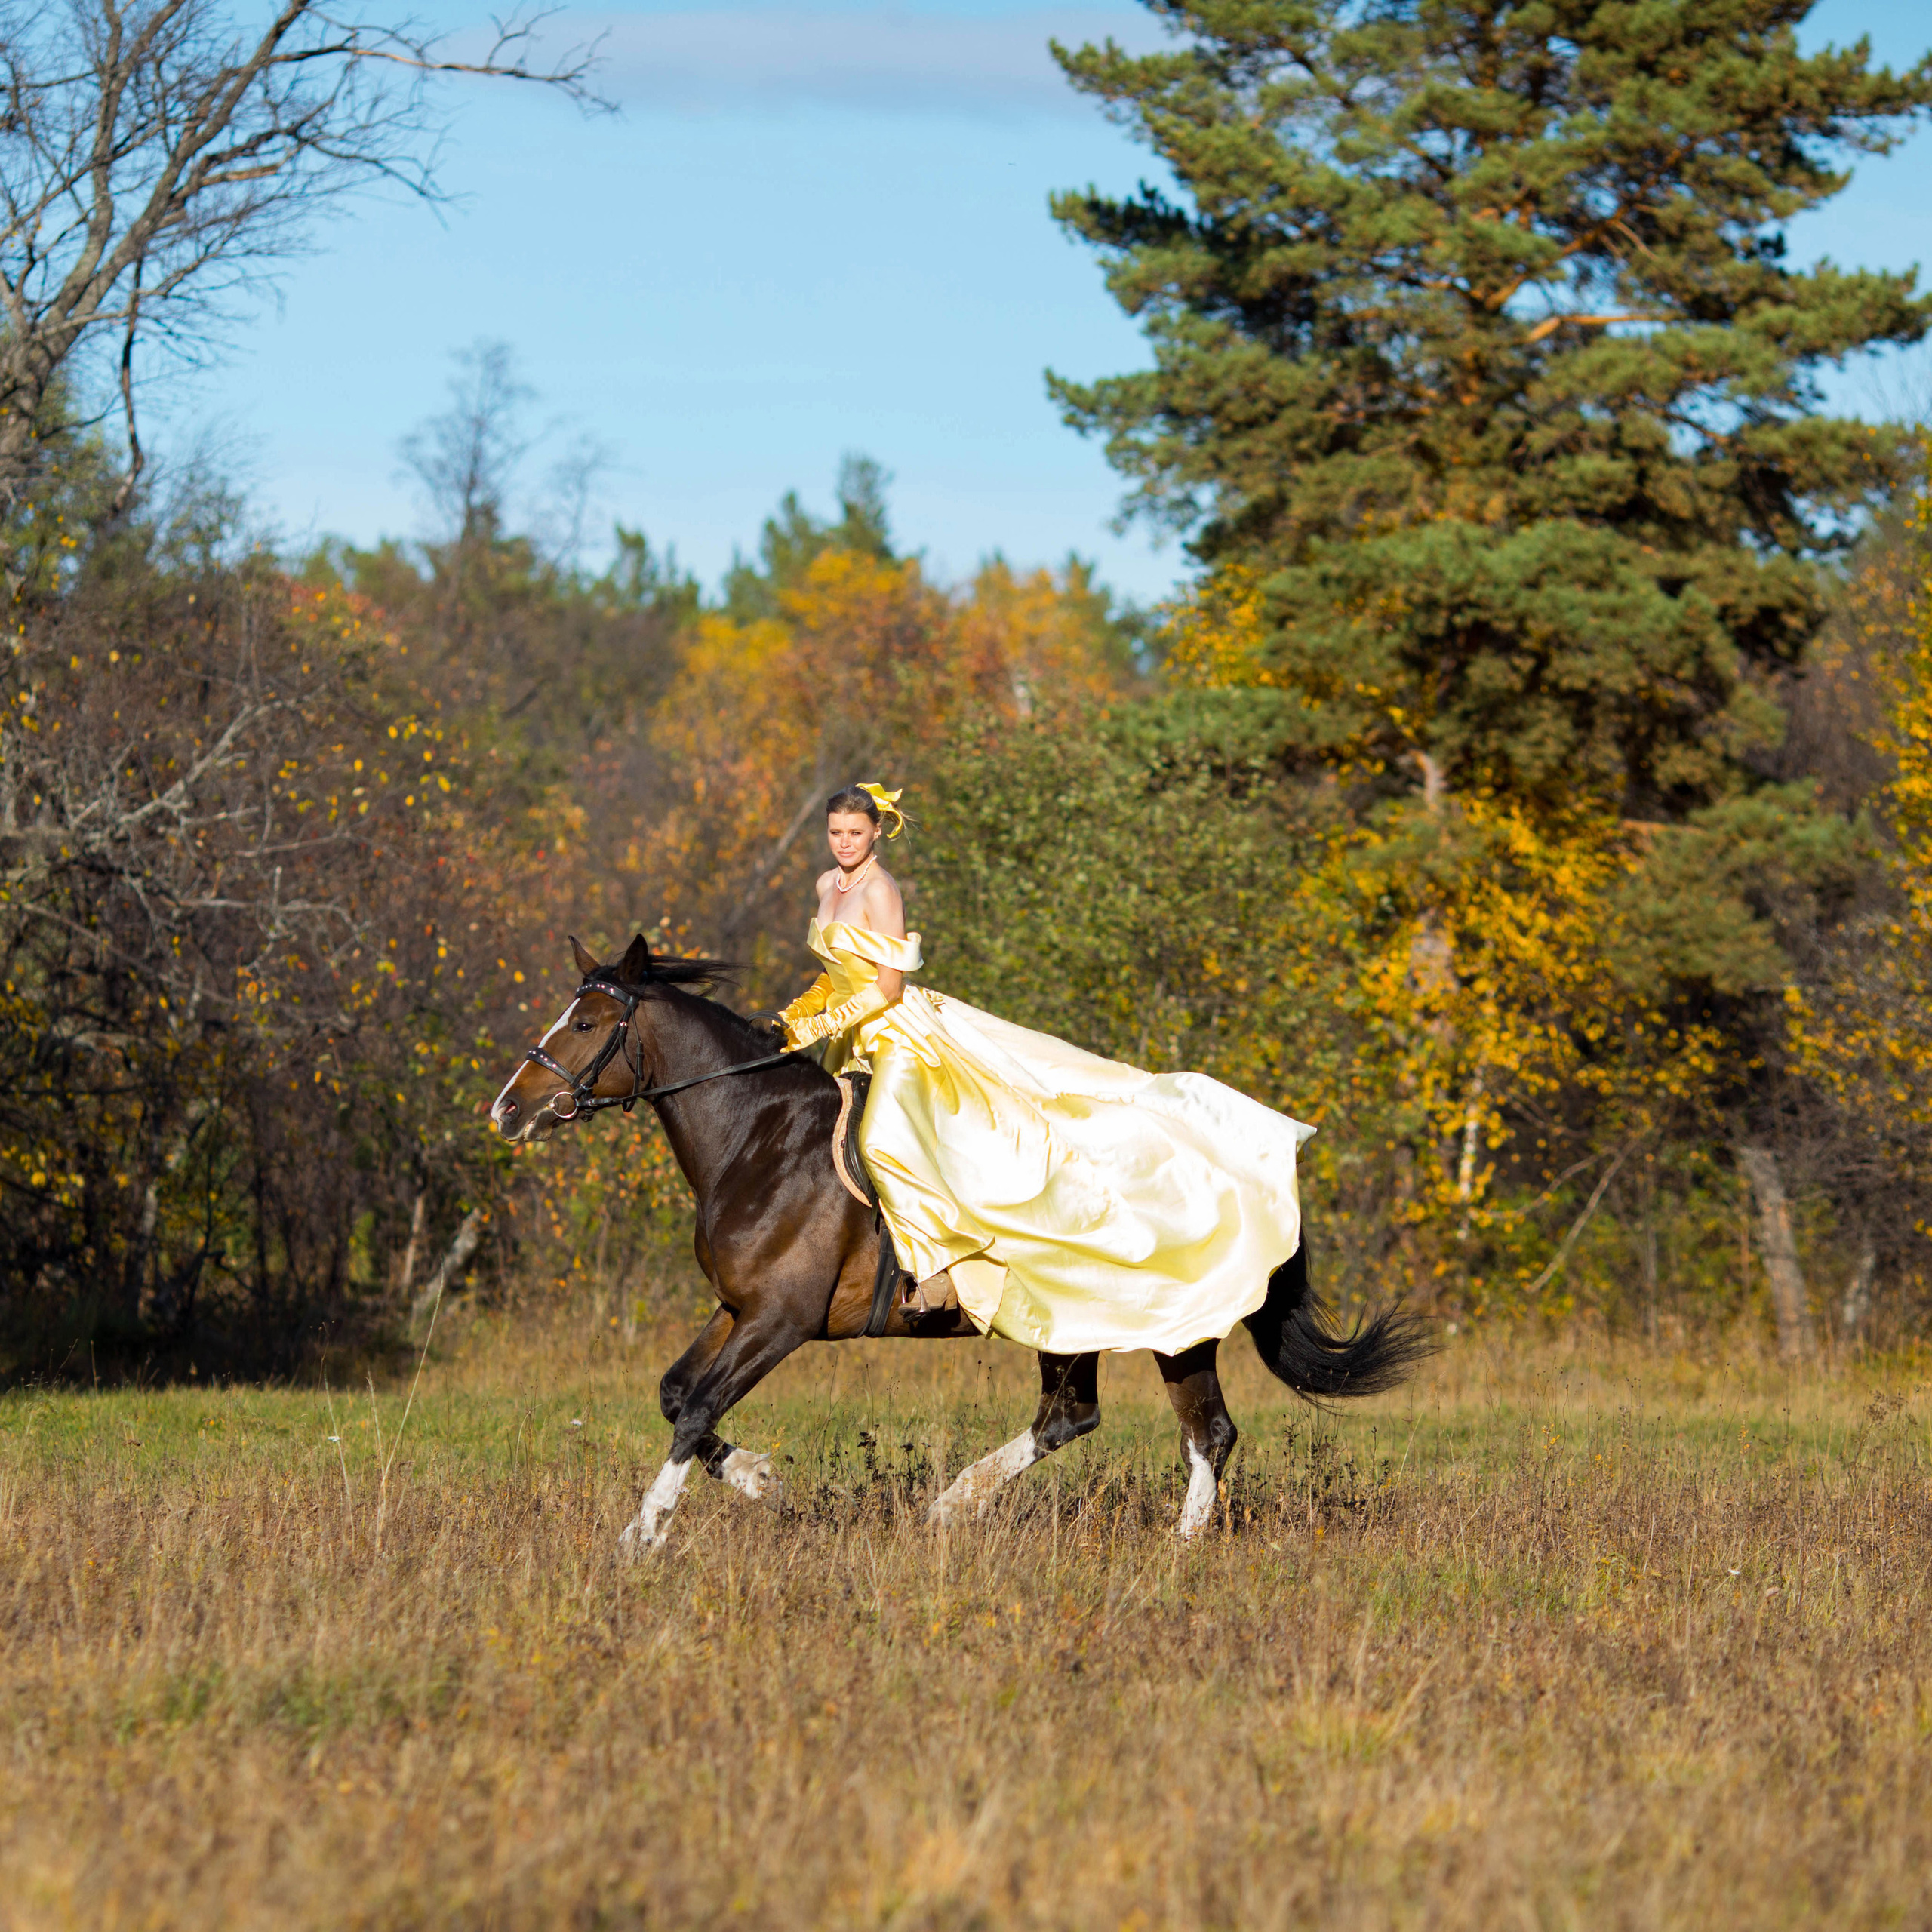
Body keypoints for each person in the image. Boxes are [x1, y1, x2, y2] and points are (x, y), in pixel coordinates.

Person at [777, 781, 1316, 1355]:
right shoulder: (825, 886)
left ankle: (937, 1270)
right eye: (835, 832)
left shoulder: (880, 890)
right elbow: (836, 974)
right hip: (850, 1041)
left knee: (885, 1141)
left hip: (896, 1038)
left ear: (876, 832)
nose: (844, 843)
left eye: (855, 833)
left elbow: (886, 986)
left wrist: (818, 1027)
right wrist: (794, 1016)